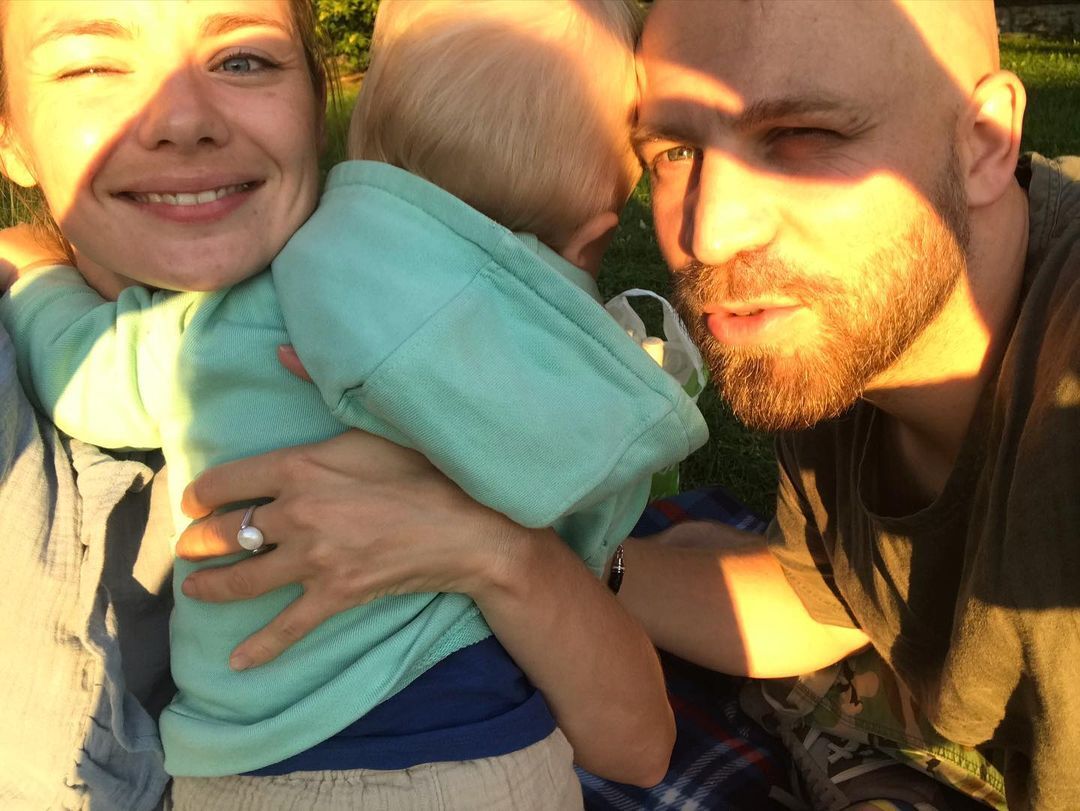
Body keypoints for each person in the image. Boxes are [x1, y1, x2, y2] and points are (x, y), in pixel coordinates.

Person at [175, 0, 1077, 808]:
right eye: (677, 150)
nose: (710, 232)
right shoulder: (851, 330)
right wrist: (529, 552)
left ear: (985, 139)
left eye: (803, 135)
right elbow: (824, 601)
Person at [0, 0, 693, 807]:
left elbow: (86, 370)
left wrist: (40, 279)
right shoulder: (568, 367)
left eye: (243, 58)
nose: (183, 121)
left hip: (274, 770)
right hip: (512, 759)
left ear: (329, 107)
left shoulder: (234, 318)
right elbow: (629, 717)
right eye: (91, 65)